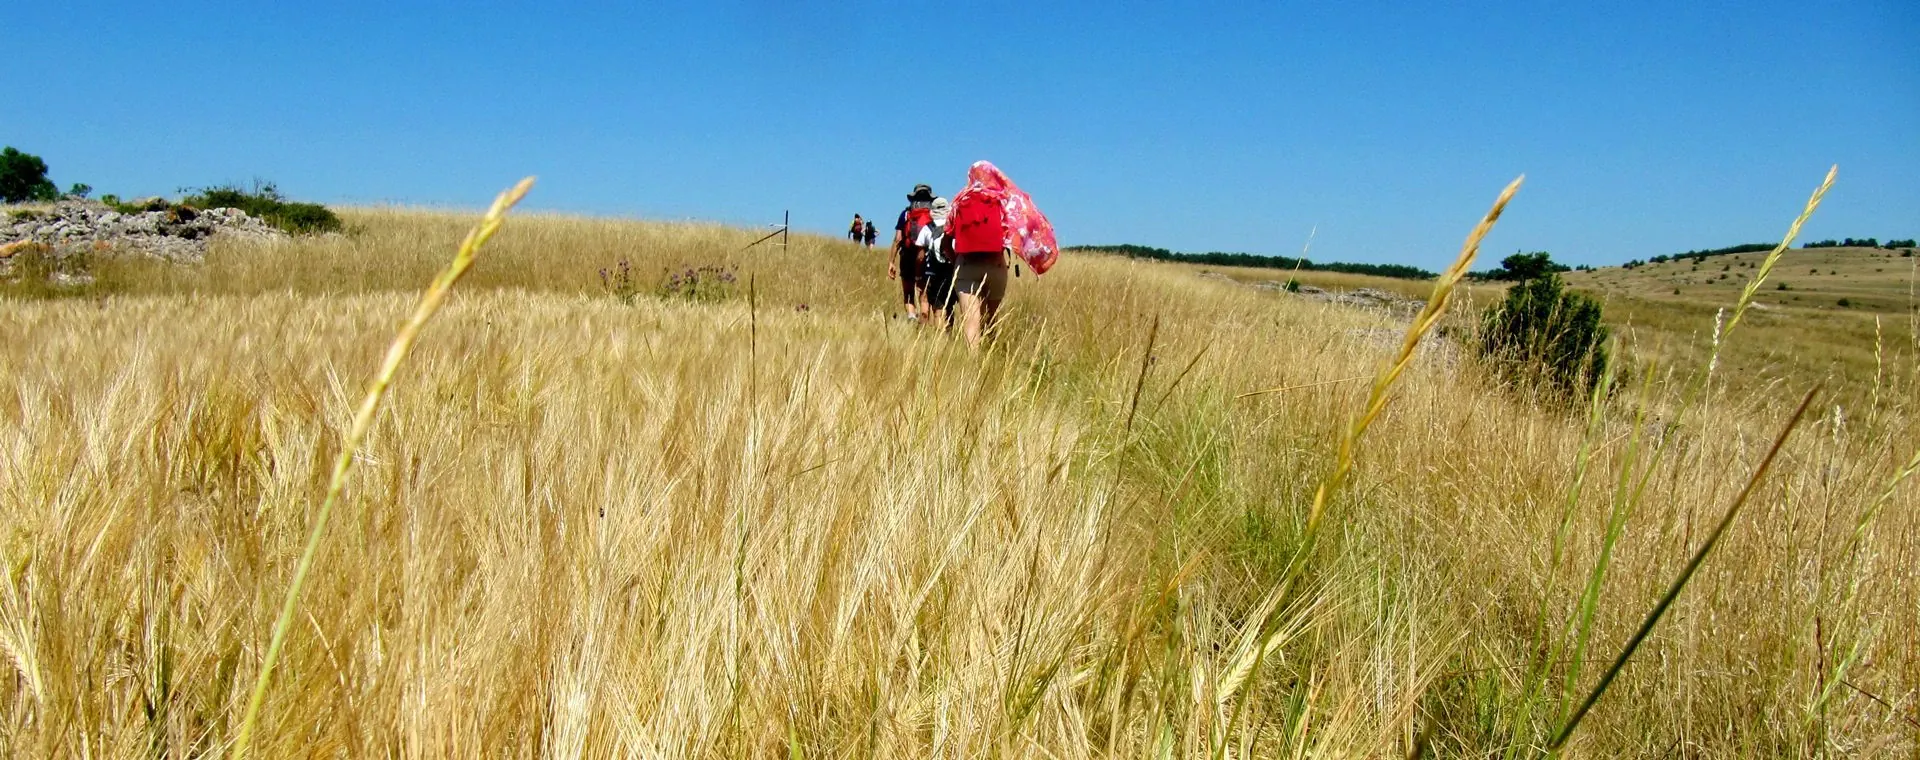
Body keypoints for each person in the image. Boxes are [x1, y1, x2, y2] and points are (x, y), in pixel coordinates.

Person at [948, 166, 1012, 346]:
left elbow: (947, 238)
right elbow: (1011, 234)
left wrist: (956, 261)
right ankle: (991, 357)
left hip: (966, 265)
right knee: (991, 319)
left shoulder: (959, 201)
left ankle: (972, 366)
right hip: (996, 265)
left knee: (971, 321)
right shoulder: (1001, 200)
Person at [888, 184, 935, 321]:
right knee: (924, 293)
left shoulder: (906, 214)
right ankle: (924, 322)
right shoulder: (933, 214)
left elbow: (898, 239)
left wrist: (891, 261)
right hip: (926, 256)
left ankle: (911, 317)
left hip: (907, 255)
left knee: (908, 291)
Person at [916, 197, 955, 327]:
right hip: (951, 269)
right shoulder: (953, 226)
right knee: (949, 305)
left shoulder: (928, 228)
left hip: (933, 271)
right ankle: (949, 334)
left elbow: (921, 256)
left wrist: (919, 274)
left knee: (938, 307)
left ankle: (939, 338)